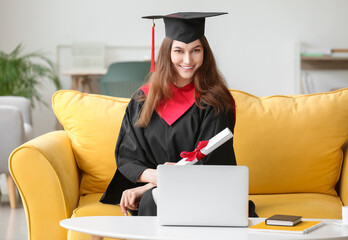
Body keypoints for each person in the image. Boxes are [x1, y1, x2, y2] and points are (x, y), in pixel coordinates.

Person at [100, 12, 257, 217]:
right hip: (157, 190)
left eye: (196, 50)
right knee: (154, 198)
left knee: (153, 199)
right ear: (167, 53)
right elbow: (128, 158)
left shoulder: (216, 101)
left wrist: (148, 188)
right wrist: (157, 178)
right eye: (179, 51)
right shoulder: (143, 100)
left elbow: (213, 164)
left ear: (205, 53)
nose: (187, 59)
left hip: (205, 193)